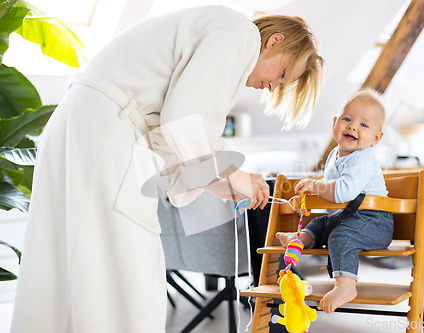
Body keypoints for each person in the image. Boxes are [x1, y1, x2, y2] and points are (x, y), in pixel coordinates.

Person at [11, 5, 323, 333]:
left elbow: (176, 139)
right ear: (273, 41)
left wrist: (222, 183)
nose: (274, 86)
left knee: (67, 264)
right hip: (104, 135)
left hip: (80, 129)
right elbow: (186, 118)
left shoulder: (217, 36)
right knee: (126, 269)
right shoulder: (238, 32)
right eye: (284, 74)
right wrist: (238, 175)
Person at [276, 89, 393, 314]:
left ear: (376, 138)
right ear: (334, 123)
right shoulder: (334, 155)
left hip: (373, 221)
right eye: (347, 119)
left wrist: (316, 185)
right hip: (344, 217)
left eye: (363, 125)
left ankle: (346, 286)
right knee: (320, 222)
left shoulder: (363, 158)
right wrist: (310, 192)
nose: (352, 127)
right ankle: (301, 239)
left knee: (341, 235)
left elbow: (343, 192)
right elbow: (330, 191)